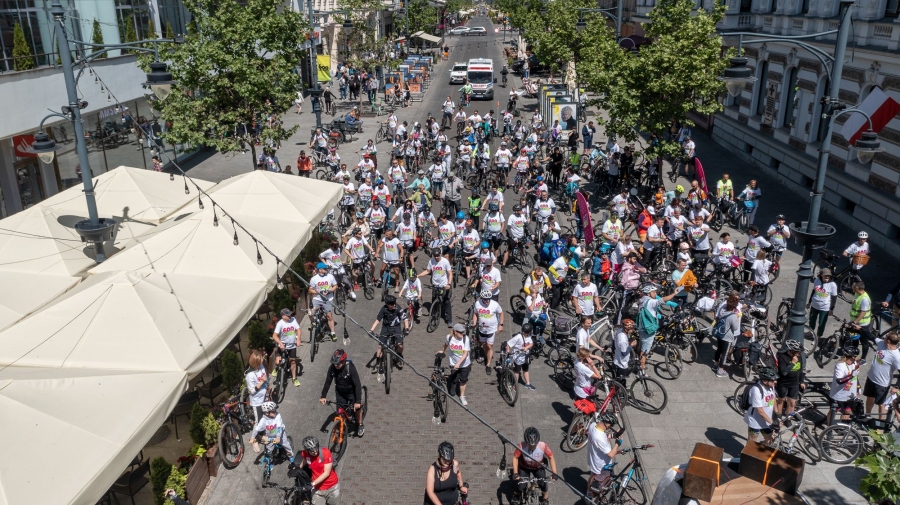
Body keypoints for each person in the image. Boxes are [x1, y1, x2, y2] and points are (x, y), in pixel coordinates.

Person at [320, 349, 365, 436]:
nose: (336, 365)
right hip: (340, 392)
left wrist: (358, 401)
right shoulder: (332, 368)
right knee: (340, 410)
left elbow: (357, 384)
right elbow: (328, 382)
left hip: (351, 392)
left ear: (343, 362)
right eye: (334, 363)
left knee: (357, 409)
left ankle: (360, 424)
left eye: (338, 364)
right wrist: (323, 396)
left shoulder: (350, 368)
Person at [636, 283, 681, 370]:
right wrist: (674, 294)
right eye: (653, 292)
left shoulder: (642, 300)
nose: (655, 293)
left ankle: (637, 357)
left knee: (641, 345)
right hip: (648, 329)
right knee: (645, 352)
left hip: (642, 327)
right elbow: (662, 300)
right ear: (648, 294)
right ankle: (641, 369)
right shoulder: (651, 302)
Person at [511, 427, 557, 505]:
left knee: (543, 484)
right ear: (526, 442)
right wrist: (515, 473)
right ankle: (516, 494)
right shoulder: (521, 446)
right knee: (520, 485)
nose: (532, 447)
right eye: (530, 445)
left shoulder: (543, 446)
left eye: (534, 445)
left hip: (538, 467)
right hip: (524, 467)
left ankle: (545, 497)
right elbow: (515, 457)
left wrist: (554, 473)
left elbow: (551, 457)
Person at [585, 413, 622, 502]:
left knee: (592, 476)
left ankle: (589, 494)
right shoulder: (599, 437)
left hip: (593, 458)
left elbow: (604, 438)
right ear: (608, 425)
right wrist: (618, 443)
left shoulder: (593, 425)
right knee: (599, 483)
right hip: (600, 464)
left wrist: (613, 435)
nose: (610, 427)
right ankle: (595, 499)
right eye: (611, 426)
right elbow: (611, 454)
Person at [863, 332, 900, 420]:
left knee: (881, 404)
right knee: (869, 398)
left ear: (888, 341)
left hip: (882, 383)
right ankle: (867, 417)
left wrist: (897, 387)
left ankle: (881, 422)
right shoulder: (881, 343)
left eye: (886, 338)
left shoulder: (896, 356)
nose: (883, 338)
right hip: (871, 378)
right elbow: (871, 337)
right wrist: (860, 329)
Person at [369, 294, 409, 373]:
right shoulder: (383, 309)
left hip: (396, 328)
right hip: (385, 328)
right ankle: (377, 363)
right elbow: (378, 320)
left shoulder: (398, 308)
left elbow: (405, 319)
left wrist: (406, 329)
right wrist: (371, 330)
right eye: (392, 304)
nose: (394, 305)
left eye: (394, 303)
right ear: (387, 304)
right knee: (380, 347)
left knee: (400, 345)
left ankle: (399, 356)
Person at [299, 436, 340, 505]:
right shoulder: (305, 453)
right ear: (307, 451)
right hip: (317, 489)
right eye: (312, 451)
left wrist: (312, 484)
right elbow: (305, 460)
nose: (315, 452)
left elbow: (326, 473)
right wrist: (298, 467)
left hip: (331, 487)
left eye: (316, 448)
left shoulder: (325, 452)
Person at [472, 289, 505, 375]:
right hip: (482, 329)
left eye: (489, 299)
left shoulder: (494, 304)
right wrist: (474, 322)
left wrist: (501, 324)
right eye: (485, 300)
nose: (487, 301)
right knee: (484, 344)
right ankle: (487, 354)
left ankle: (488, 364)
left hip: (491, 329)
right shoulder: (478, 303)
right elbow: (475, 313)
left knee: (490, 346)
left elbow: (501, 313)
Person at [418, 248, 453, 326]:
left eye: (438, 255)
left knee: (446, 302)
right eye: (435, 256)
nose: (436, 257)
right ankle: (434, 313)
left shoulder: (445, 261)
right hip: (435, 285)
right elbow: (428, 271)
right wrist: (419, 275)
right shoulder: (431, 261)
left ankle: (449, 320)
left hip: (444, 285)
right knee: (434, 299)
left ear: (440, 254)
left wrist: (449, 284)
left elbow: (450, 273)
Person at [744, 367, 778, 445]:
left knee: (770, 441)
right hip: (755, 421)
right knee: (751, 443)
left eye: (775, 379)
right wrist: (772, 422)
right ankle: (747, 453)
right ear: (764, 381)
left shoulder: (771, 386)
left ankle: (762, 450)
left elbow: (773, 399)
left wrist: (777, 414)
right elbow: (760, 410)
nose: (775, 381)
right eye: (772, 380)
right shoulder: (756, 390)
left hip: (767, 420)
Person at [775, 340, 805, 424]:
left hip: (794, 383)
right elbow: (783, 372)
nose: (799, 353)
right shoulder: (782, 357)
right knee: (781, 400)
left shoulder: (799, 356)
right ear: (791, 351)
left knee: (792, 403)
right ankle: (779, 418)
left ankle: (788, 419)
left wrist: (802, 381)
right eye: (798, 352)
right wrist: (792, 363)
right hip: (783, 383)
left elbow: (801, 370)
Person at [712, 292, 742, 378]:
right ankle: (720, 370)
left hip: (720, 334)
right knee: (724, 354)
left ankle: (715, 365)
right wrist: (737, 318)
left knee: (719, 350)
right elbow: (735, 328)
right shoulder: (733, 316)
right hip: (727, 337)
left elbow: (717, 317)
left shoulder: (723, 311)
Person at [830, 346, 861, 423]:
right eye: (856, 356)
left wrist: (858, 388)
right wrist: (851, 375)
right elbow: (839, 380)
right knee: (834, 411)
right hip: (839, 394)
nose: (858, 357)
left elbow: (856, 378)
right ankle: (829, 427)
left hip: (850, 394)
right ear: (853, 357)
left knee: (847, 411)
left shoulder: (855, 363)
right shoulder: (840, 365)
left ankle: (843, 427)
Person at [273, 308, 302, 387]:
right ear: (283, 316)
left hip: (292, 346)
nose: (290, 316)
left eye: (290, 314)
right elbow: (274, 336)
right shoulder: (280, 324)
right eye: (288, 315)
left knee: (292, 361)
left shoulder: (293, 320)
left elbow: (298, 330)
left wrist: (298, 339)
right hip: (283, 346)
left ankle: (294, 378)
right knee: (277, 362)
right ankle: (277, 369)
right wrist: (280, 343)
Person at [850, 281, 877, 365]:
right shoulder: (857, 294)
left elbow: (863, 313)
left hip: (863, 324)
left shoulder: (864, 299)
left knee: (864, 342)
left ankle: (863, 359)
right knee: (854, 339)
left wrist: (855, 321)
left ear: (857, 288)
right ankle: (854, 355)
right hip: (855, 323)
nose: (852, 287)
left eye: (853, 286)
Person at [506, 323, 536, 390]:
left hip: (525, 356)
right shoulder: (518, 337)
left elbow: (531, 343)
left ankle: (528, 384)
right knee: (517, 371)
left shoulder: (528, 336)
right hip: (518, 357)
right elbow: (508, 344)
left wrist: (527, 347)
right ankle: (515, 385)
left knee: (526, 370)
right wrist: (508, 353)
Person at [244, 350, 269, 425]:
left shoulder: (261, 367)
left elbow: (265, 377)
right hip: (257, 401)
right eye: (261, 358)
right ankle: (257, 432)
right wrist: (262, 381)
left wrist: (267, 386)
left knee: (266, 417)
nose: (262, 359)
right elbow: (252, 391)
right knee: (258, 422)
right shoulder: (250, 375)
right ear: (256, 362)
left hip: (264, 397)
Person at [612, 319, 636, 387]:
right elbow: (624, 353)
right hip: (621, 363)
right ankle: (619, 391)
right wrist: (631, 345)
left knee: (621, 380)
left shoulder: (619, 331)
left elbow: (614, 341)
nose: (633, 330)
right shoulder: (622, 340)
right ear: (627, 329)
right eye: (631, 329)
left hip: (617, 358)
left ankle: (622, 390)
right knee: (621, 382)